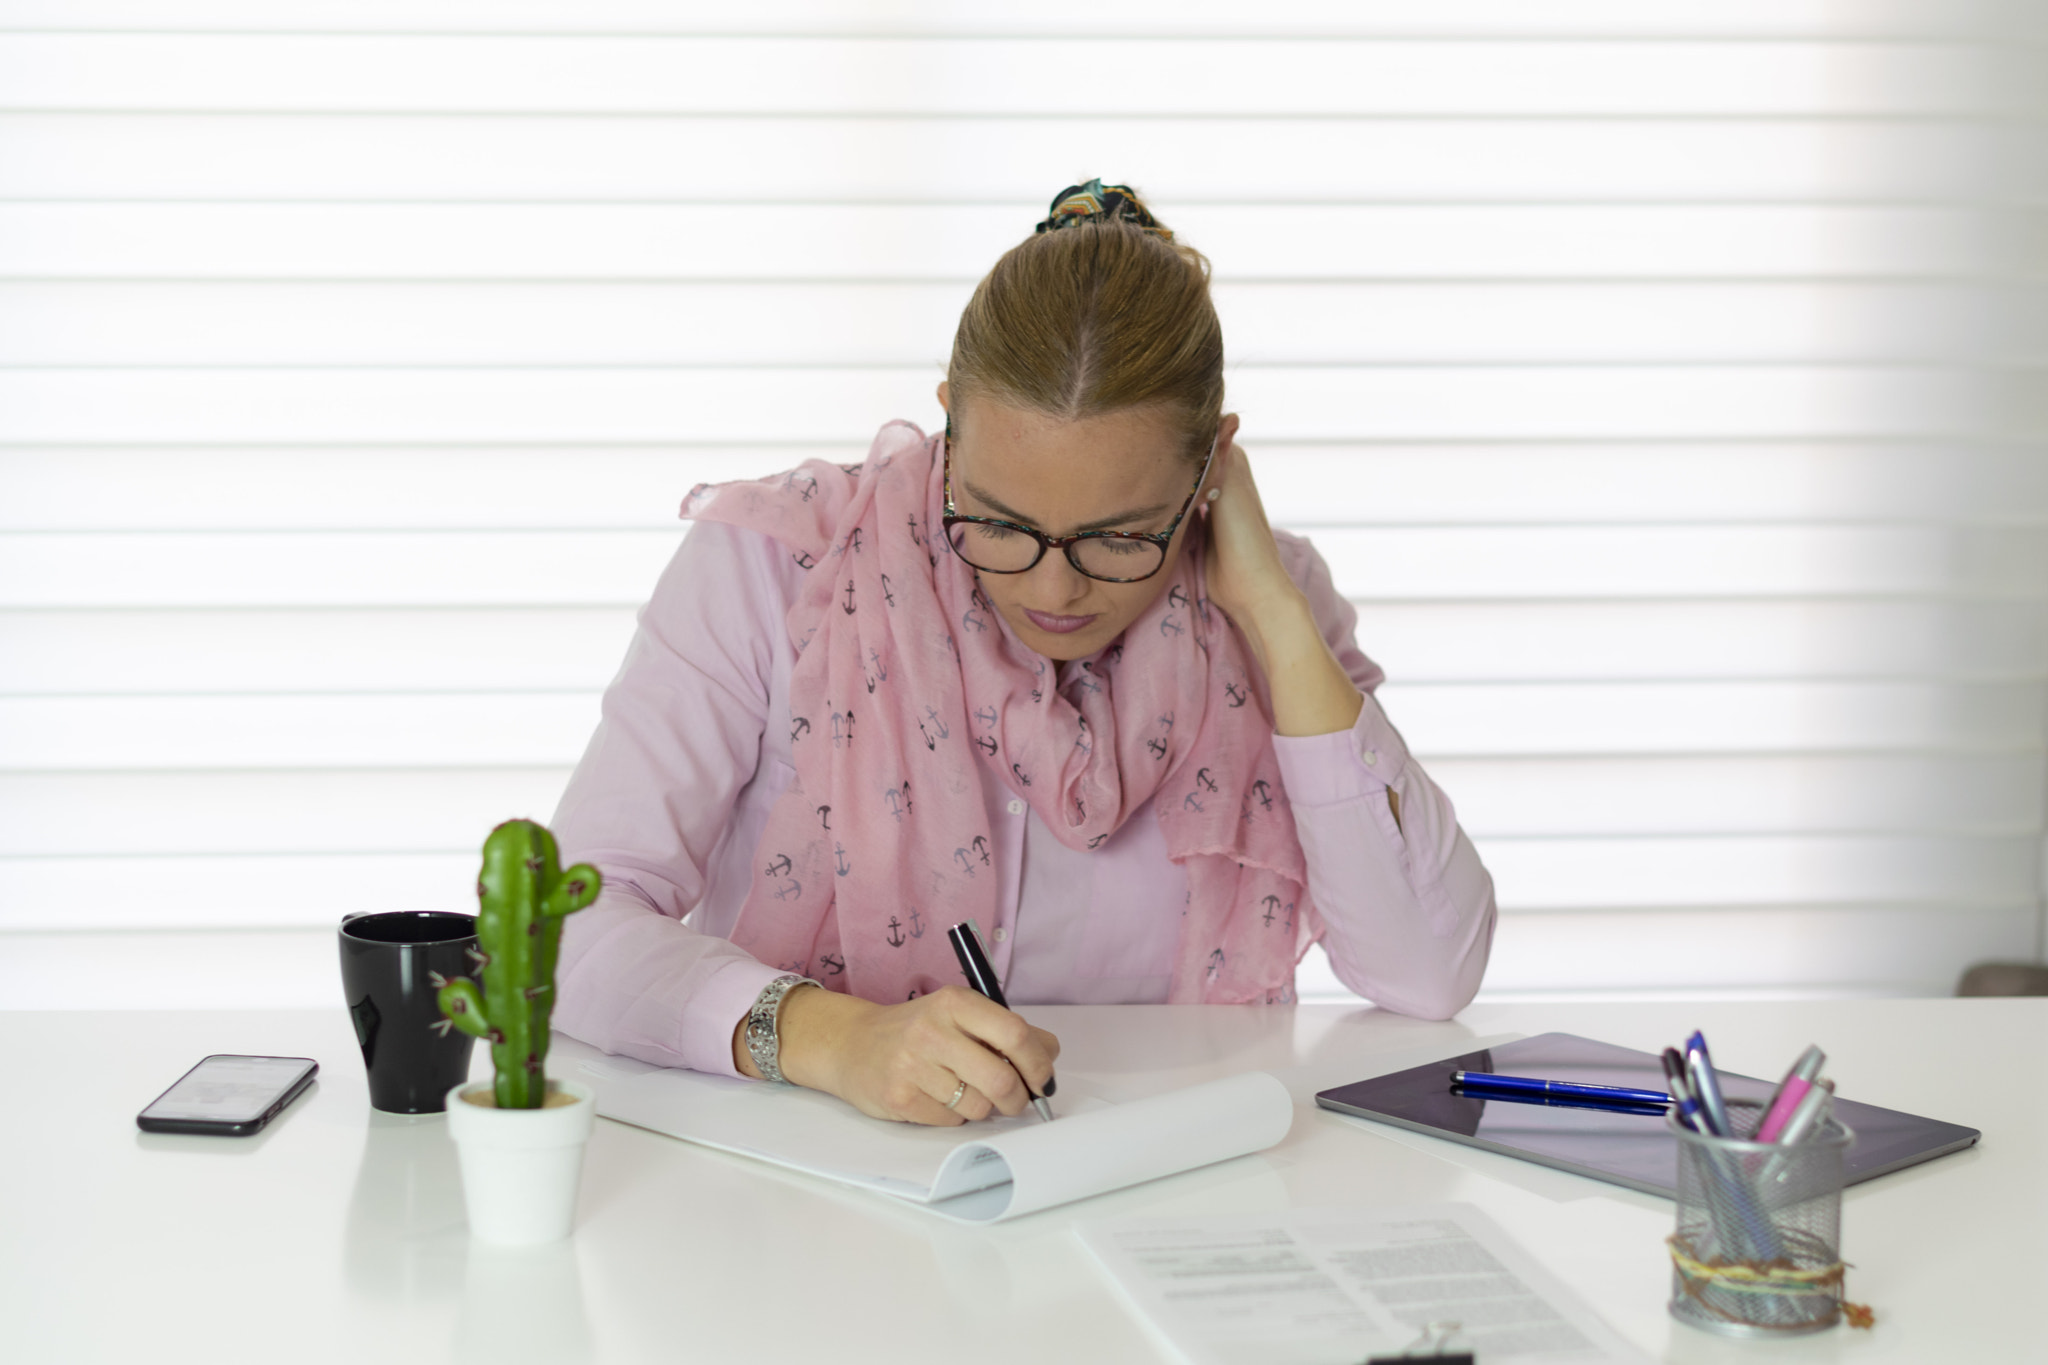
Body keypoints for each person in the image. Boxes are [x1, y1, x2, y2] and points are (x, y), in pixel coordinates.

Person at [551, 180, 1497, 1128]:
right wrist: (833, 1039)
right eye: (1000, 522)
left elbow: (1427, 972)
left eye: (1121, 538)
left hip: (1154, 1190)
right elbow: (566, 925)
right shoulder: (776, 565)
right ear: (949, 424)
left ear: (1210, 468)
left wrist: (1275, 619)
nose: (1053, 592)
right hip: (817, 1198)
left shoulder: (1273, 602)